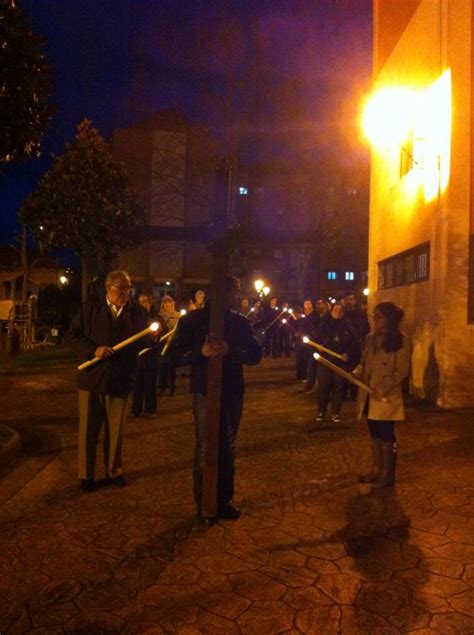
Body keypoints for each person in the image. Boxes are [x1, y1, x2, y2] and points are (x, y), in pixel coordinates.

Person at [170, 276, 262, 523]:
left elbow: (255, 353)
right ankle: (205, 501)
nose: (239, 296)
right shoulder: (192, 320)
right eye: (236, 291)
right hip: (204, 390)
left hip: (232, 390)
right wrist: (200, 352)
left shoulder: (240, 323)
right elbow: (173, 355)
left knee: (227, 445)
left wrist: (231, 350)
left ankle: (224, 498)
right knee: (205, 445)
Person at [67, 270, 149, 491]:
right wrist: (94, 349)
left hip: (120, 379)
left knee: (115, 431)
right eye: (122, 288)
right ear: (108, 288)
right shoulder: (90, 308)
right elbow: (73, 335)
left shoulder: (137, 312)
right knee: (88, 431)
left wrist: (152, 337)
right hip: (92, 379)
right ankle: (86, 475)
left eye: (128, 288)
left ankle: (114, 471)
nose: (126, 293)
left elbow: (144, 341)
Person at [353, 302, 411, 487]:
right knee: (374, 432)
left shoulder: (400, 340)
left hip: (387, 397)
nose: (375, 320)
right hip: (369, 394)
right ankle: (377, 468)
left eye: (378, 316)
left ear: (389, 318)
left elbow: (402, 370)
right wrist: (356, 373)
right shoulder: (370, 339)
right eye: (373, 316)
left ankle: (388, 473)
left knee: (386, 432)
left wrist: (383, 387)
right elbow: (364, 362)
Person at [315, 301, 354, 424]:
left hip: (340, 362)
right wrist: (318, 346)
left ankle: (335, 412)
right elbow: (317, 338)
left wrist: (348, 353)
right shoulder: (324, 324)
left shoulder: (347, 326)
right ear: (331, 311)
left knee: (338, 388)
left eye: (340, 311)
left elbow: (353, 343)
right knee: (324, 387)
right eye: (335, 310)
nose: (337, 313)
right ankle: (321, 411)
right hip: (325, 360)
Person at [131, 294, 167, 418]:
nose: (143, 304)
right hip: (138, 356)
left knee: (150, 383)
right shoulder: (134, 318)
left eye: (145, 301)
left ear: (150, 303)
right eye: (140, 301)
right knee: (137, 384)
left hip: (151, 356)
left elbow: (164, 335)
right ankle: (136, 409)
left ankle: (150, 409)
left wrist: (157, 336)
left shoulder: (157, 318)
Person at [343, 292, 370, 399]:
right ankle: (343, 392)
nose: (349, 302)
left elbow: (365, 329)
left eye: (351, 299)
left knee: (354, 371)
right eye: (347, 299)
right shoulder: (343, 313)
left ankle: (354, 393)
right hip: (343, 346)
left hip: (355, 347)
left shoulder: (360, 314)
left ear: (355, 301)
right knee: (343, 371)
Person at [158, 295, 180, 395]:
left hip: (172, 344)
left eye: (169, 302)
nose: (167, 304)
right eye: (165, 302)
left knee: (171, 367)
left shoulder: (178, 316)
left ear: (172, 304)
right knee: (162, 366)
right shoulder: (159, 316)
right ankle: (162, 386)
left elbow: (180, 329)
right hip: (162, 344)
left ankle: (171, 388)